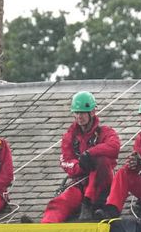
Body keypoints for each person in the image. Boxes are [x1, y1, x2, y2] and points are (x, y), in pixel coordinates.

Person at [40, 91, 121, 224]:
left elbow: (114, 147)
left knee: (100, 159)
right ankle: (45, 229)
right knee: (58, 203)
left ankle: (87, 203)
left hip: (102, 185)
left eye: (82, 112)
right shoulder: (70, 136)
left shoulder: (105, 132)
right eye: (76, 113)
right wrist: (80, 165)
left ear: (92, 113)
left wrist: (90, 153)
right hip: (81, 184)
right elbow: (65, 161)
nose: (79, 116)